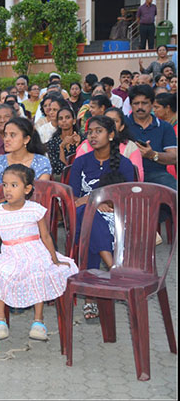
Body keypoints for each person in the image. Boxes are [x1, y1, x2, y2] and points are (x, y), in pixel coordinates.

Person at [0, 164, 78, 341]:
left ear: (27, 189)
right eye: (5, 185)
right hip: (10, 253)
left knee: (38, 272)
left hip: (35, 251)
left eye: (14, 185)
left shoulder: (34, 209)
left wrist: (54, 259)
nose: (7, 189)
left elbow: (46, 236)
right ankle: (0, 319)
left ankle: (38, 321)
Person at [70, 116, 136, 321]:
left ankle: (91, 297)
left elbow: (129, 200)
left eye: (98, 131)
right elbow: (73, 200)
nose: (93, 135)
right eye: (90, 132)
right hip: (83, 217)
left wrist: (98, 203)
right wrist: (94, 203)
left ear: (111, 135)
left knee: (90, 225)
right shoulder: (81, 162)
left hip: (115, 219)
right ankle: (114, 269)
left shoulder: (124, 164)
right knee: (87, 215)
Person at [124, 84, 177, 198]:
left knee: (174, 191)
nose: (140, 107)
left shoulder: (165, 127)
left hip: (157, 175)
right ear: (131, 105)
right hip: (126, 175)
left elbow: (174, 157)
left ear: (152, 104)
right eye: (136, 103)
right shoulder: (122, 124)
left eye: (144, 103)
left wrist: (152, 155)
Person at [75, 107, 144, 182]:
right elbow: (76, 173)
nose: (111, 124)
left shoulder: (130, 147)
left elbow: (138, 178)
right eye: (106, 120)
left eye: (115, 121)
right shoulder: (87, 145)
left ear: (121, 127)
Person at [0, 118, 52, 192]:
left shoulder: (41, 162)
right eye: (5, 135)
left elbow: (41, 193)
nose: (6, 139)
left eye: (12, 135)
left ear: (26, 139)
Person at [45, 108, 84, 176]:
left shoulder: (82, 139)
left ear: (74, 121)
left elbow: (84, 164)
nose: (64, 120)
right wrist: (62, 147)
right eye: (61, 118)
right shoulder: (52, 143)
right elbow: (58, 169)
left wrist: (79, 146)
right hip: (61, 178)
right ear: (58, 123)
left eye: (67, 117)